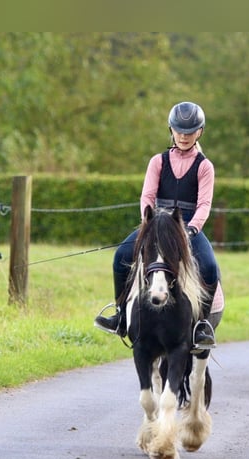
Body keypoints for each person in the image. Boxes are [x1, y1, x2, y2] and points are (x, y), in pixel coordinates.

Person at [94, 101, 219, 351]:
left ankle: (201, 326)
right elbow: (147, 197)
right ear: (171, 130)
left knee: (209, 267)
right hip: (156, 223)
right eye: (179, 131)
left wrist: (191, 229)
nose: (184, 136)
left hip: (187, 227)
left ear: (200, 132)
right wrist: (148, 223)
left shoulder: (204, 166)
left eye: (190, 131)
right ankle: (120, 315)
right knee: (120, 256)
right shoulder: (158, 162)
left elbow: (204, 204)